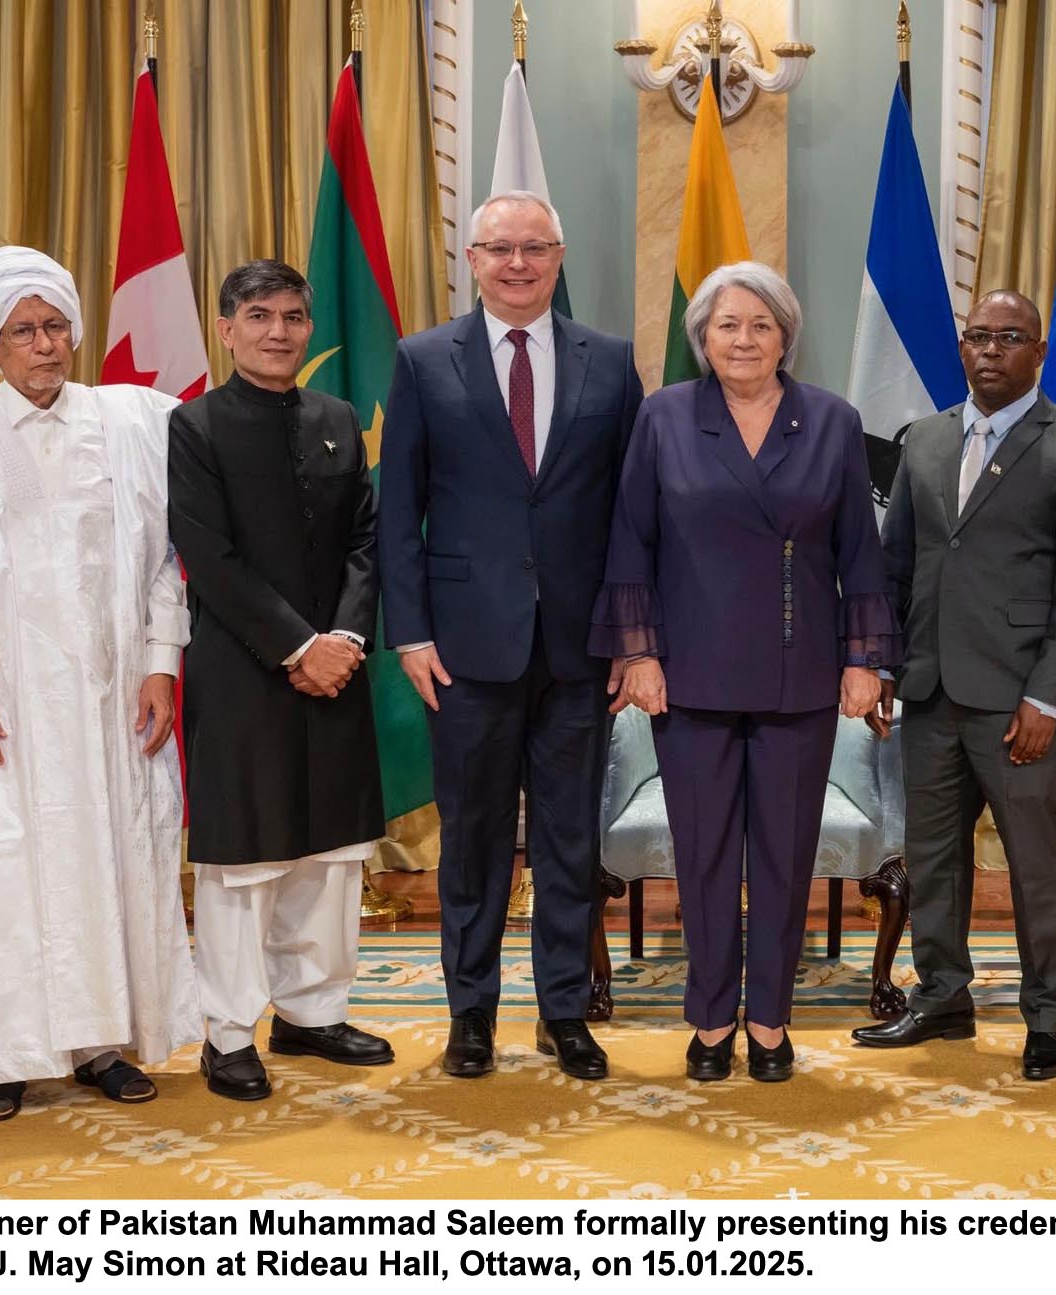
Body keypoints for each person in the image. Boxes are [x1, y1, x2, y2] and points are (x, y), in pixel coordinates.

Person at [0, 246, 200, 1121]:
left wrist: (161, 663)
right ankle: (2, 1053)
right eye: (22, 330)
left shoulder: (134, 423)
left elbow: (165, 560)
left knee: (106, 858)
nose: (44, 344)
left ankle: (101, 1044)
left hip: (106, 694)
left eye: (55, 325)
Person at [594, 261, 894, 1083]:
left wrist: (865, 658)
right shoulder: (664, 416)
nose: (745, 339)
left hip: (802, 672)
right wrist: (637, 652)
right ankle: (710, 1018)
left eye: (762, 324)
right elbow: (631, 539)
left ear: (786, 335)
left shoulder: (830, 420)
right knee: (705, 856)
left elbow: (860, 550)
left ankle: (769, 1019)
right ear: (703, 335)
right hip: (688, 675)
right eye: (728, 324)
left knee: (784, 857)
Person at [378, 191, 643, 1080]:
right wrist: (410, 634)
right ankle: (472, 1014)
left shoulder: (612, 362)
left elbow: (633, 515)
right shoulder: (423, 360)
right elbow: (399, 509)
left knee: (571, 840)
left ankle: (565, 1011)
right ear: (474, 260)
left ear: (559, 257)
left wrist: (631, 633)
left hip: (580, 649)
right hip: (463, 649)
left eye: (535, 248)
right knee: (474, 839)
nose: (518, 263)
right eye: (501, 248)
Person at [853, 289, 1056, 1082]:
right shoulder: (928, 439)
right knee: (933, 858)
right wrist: (886, 664)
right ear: (962, 347)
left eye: (1009, 337)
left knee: (1036, 864)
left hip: (1017, 700)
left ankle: (1049, 1015)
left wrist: (1047, 696)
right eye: (978, 336)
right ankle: (942, 996)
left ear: (1039, 352)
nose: (990, 350)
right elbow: (896, 564)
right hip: (931, 688)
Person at [169, 260, 394, 1101]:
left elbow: (365, 539)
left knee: (330, 857)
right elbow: (208, 557)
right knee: (248, 862)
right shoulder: (194, 426)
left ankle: (312, 1013)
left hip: (338, 668)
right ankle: (229, 1034)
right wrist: (299, 648)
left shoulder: (336, 418)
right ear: (226, 329)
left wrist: (344, 637)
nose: (278, 331)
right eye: (259, 316)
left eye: (293, 316)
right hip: (244, 672)